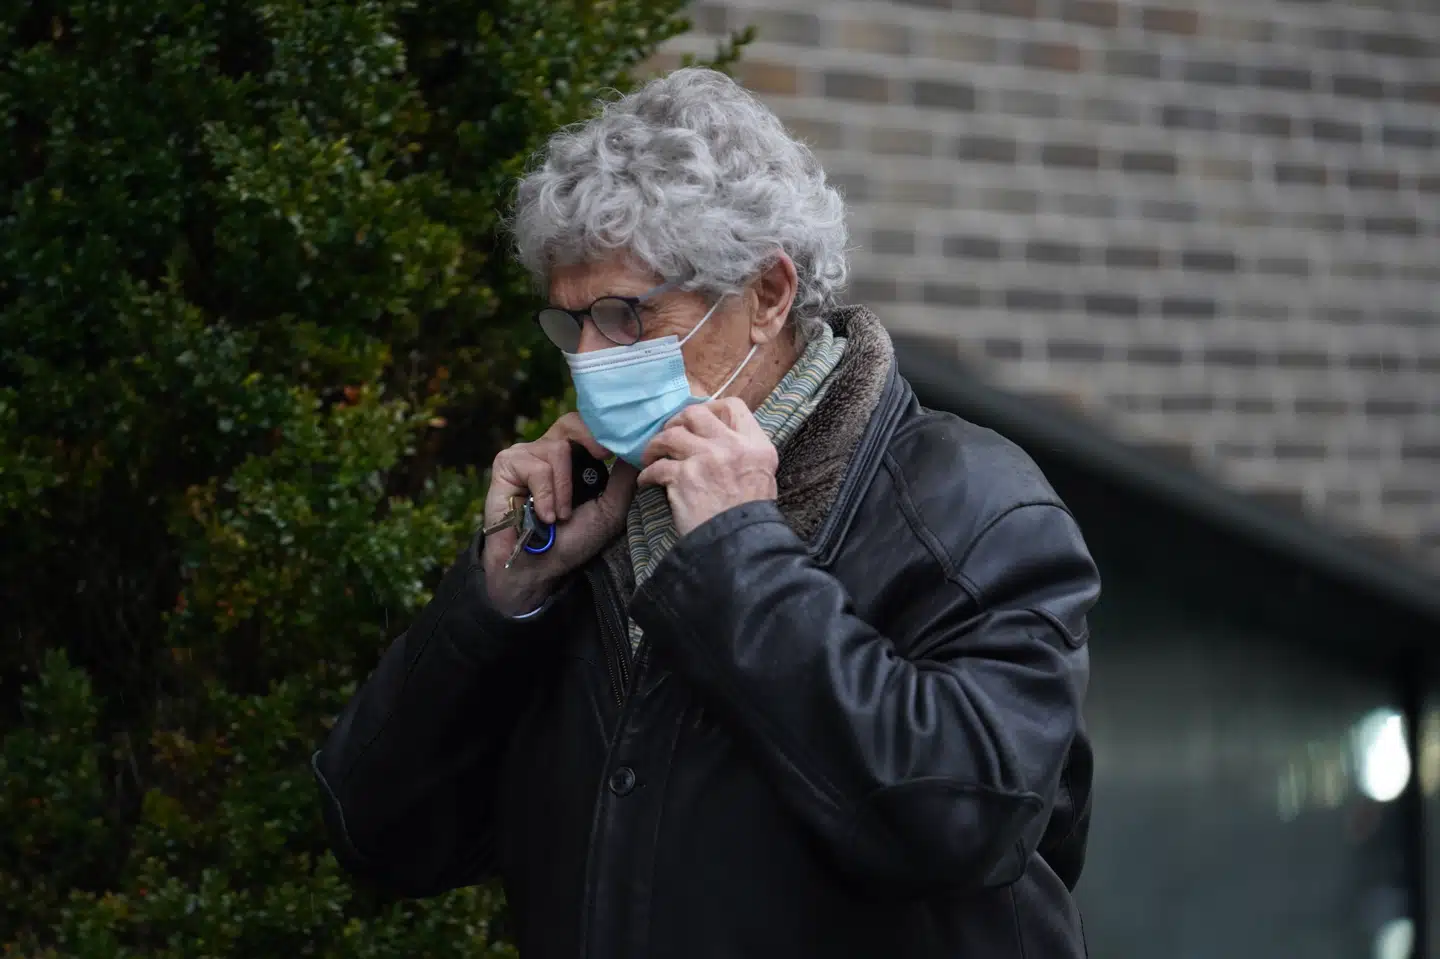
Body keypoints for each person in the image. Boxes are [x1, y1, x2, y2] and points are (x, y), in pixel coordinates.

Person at [313, 67, 1101, 958]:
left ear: (768, 294)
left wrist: (739, 559)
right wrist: (504, 595)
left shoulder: (975, 505)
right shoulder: (585, 518)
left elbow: (959, 824)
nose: (591, 359)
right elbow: (378, 833)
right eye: (571, 325)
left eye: (624, 315)